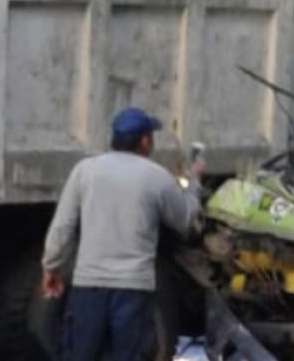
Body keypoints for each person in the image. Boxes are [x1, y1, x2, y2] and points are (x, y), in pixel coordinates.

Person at [41, 107, 203, 361]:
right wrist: (193, 185)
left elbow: (63, 227)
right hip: (133, 289)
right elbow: (184, 221)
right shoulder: (156, 177)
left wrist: (52, 267)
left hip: (88, 288)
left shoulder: (85, 171)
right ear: (145, 140)